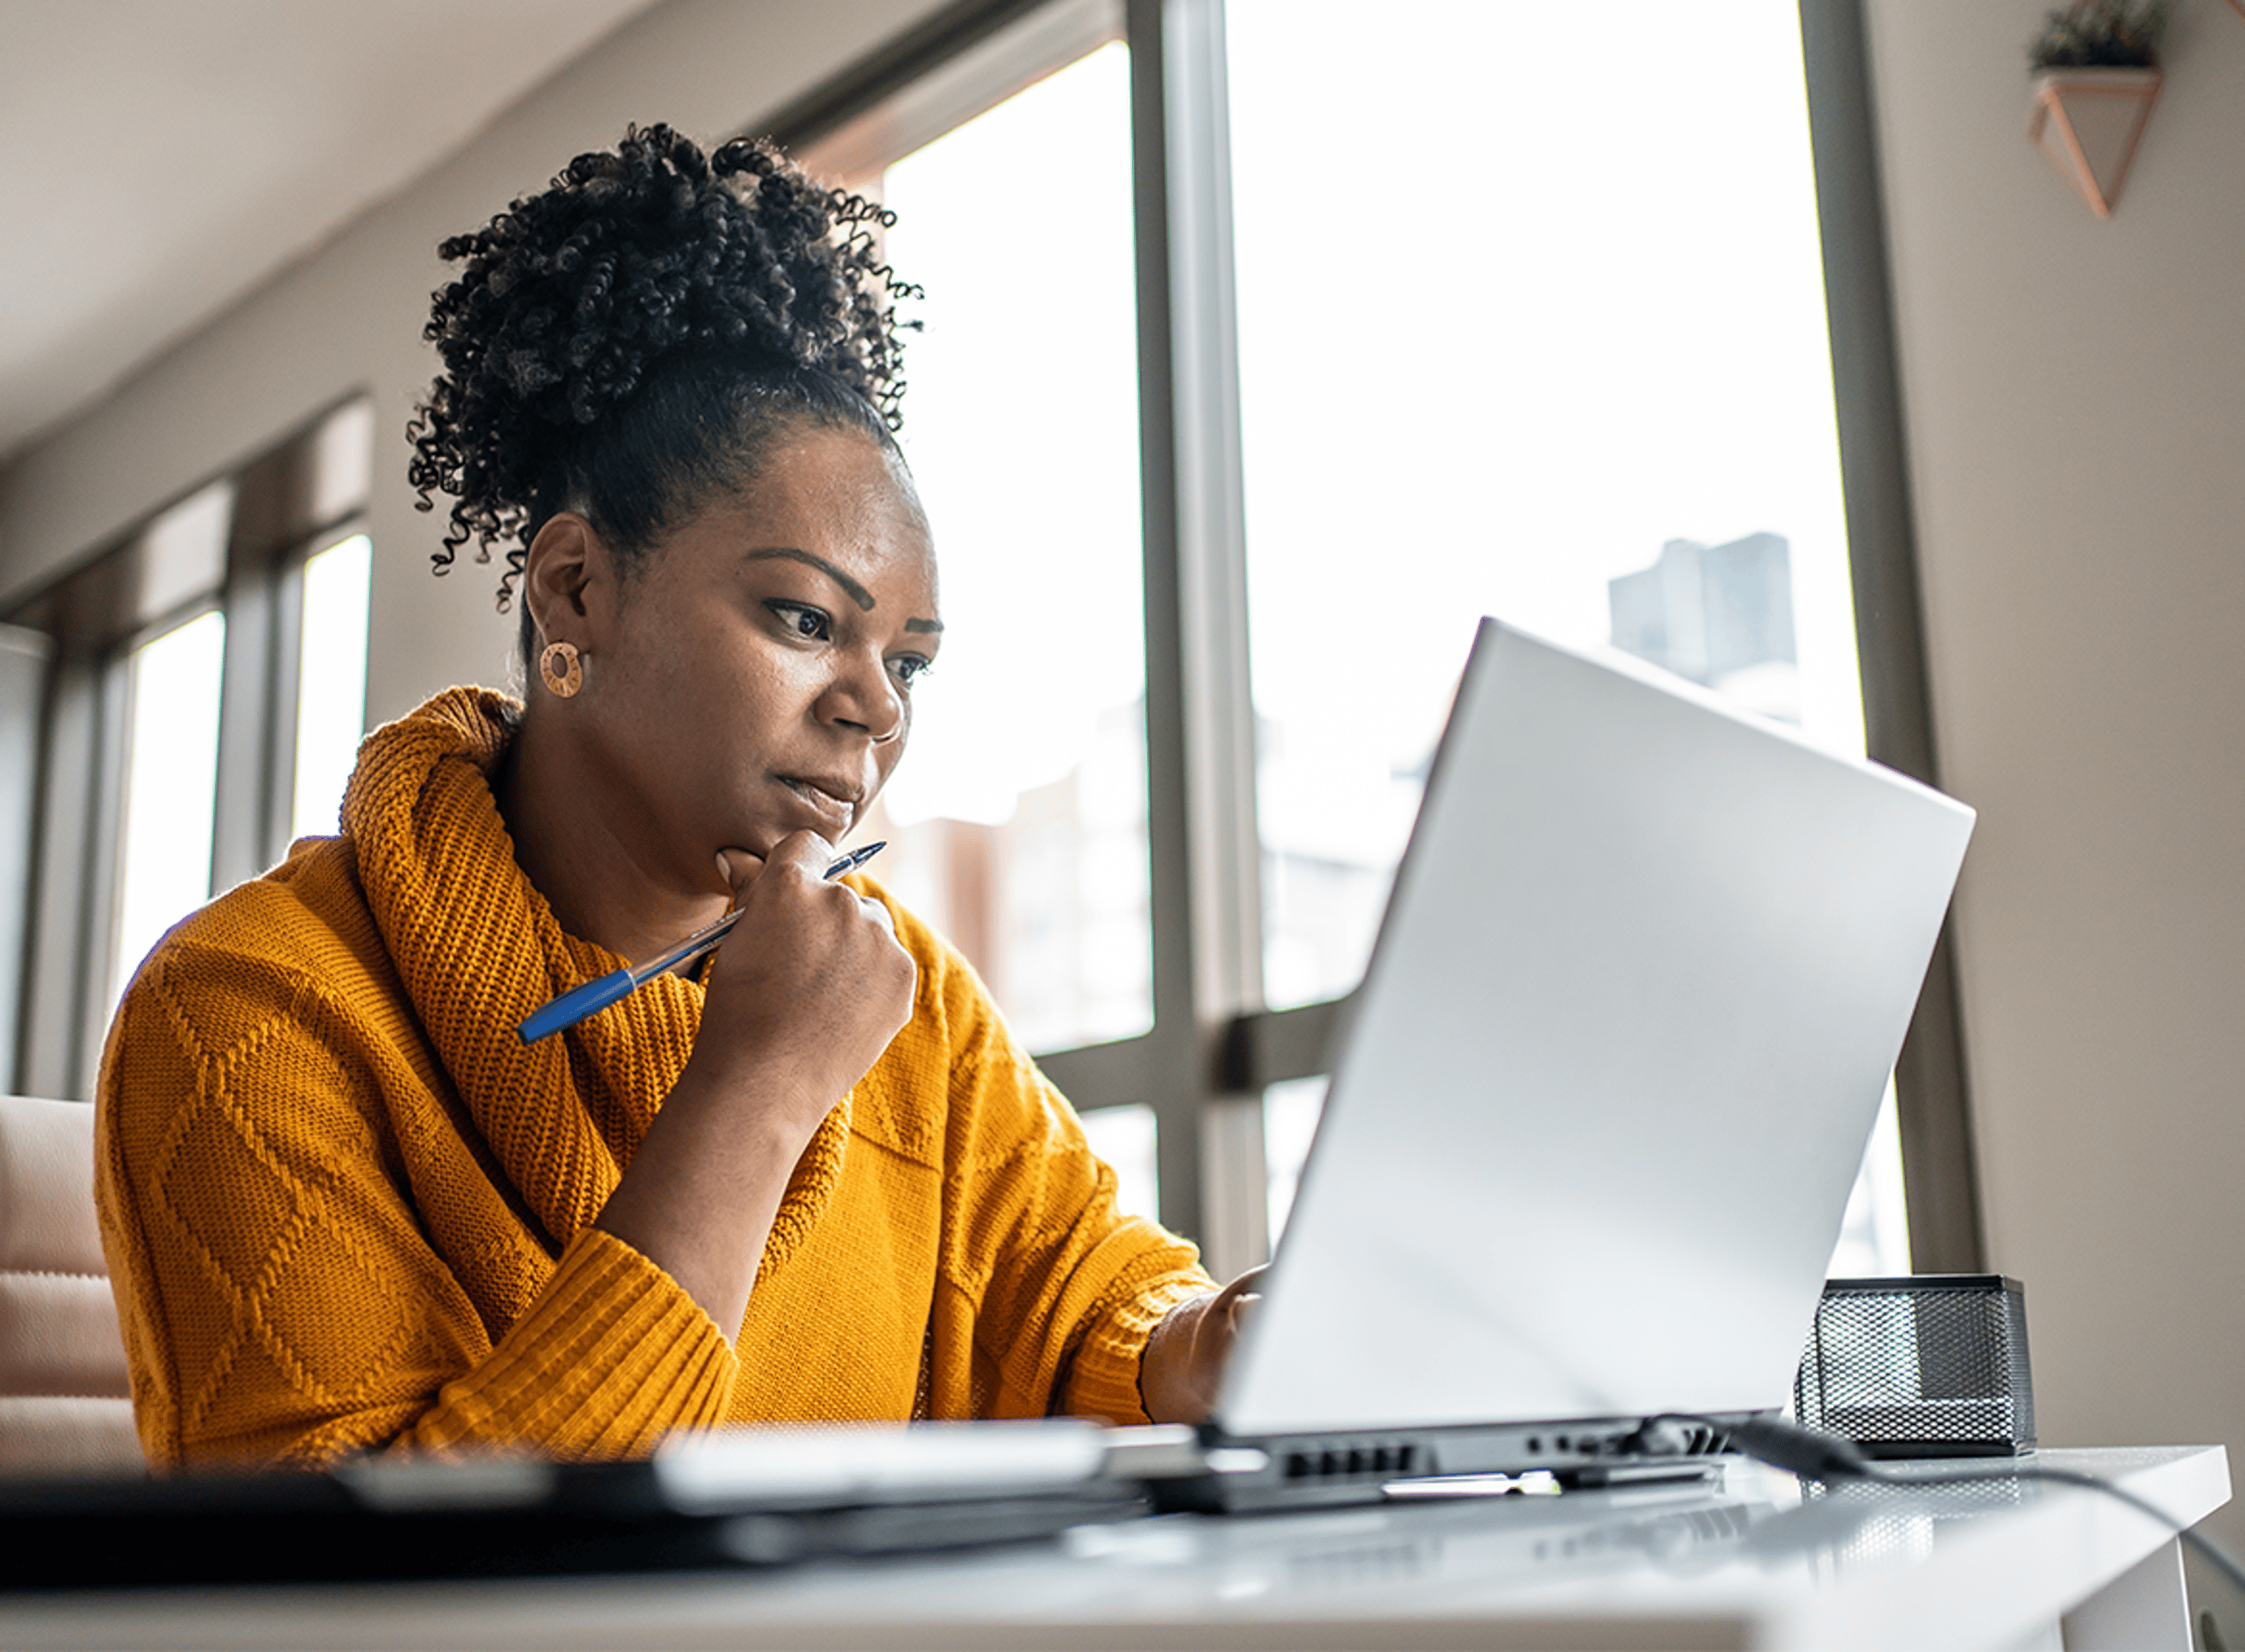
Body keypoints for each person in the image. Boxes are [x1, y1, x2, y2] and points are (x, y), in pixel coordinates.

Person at [94, 125, 1258, 1470]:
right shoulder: (250, 1008)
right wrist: (757, 1090)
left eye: (912, 664)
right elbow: (370, 1607)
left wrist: (1202, 1341)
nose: (876, 706)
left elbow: (1081, 1299)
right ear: (577, 589)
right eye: (805, 617)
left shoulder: (909, 1003)